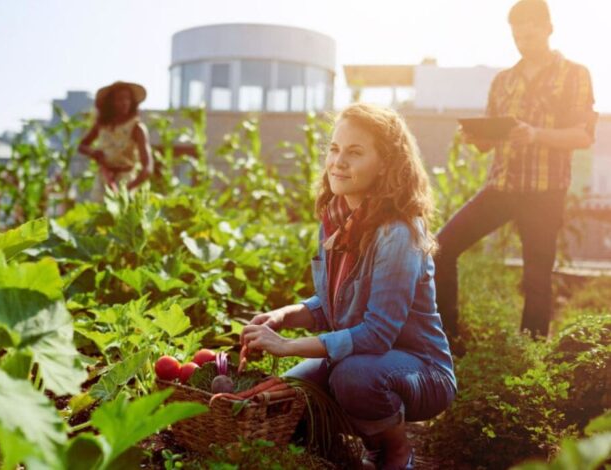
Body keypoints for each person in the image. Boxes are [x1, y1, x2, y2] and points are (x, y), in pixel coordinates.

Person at [240, 103, 456, 470]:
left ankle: (392, 449)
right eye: (335, 149)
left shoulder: (398, 234)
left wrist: (288, 347)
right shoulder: (337, 220)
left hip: (421, 371)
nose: (338, 161)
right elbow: (330, 304)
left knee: (352, 378)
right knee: (289, 396)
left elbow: (376, 335)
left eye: (355, 152)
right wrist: (282, 317)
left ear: (386, 164)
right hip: (358, 359)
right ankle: (351, 444)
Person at [434, 0, 597, 340]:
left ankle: (530, 352)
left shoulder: (574, 74)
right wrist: (475, 138)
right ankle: (448, 337)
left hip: (545, 191)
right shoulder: (503, 81)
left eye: (530, 35)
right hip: (502, 187)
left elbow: (583, 135)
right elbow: (489, 143)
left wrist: (536, 134)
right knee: (440, 247)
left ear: (548, 28)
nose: (523, 42)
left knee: (537, 277)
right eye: (518, 37)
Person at [78, 81, 153, 201]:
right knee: (97, 214)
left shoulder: (137, 128)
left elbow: (147, 167)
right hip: (103, 177)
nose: (124, 103)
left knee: (121, 216)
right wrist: (93, 153)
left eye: (127, 99)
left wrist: (130, 187)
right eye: (119, 99)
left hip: (125, 179)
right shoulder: (102, 125)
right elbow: (82, 146)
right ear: (110, 103)